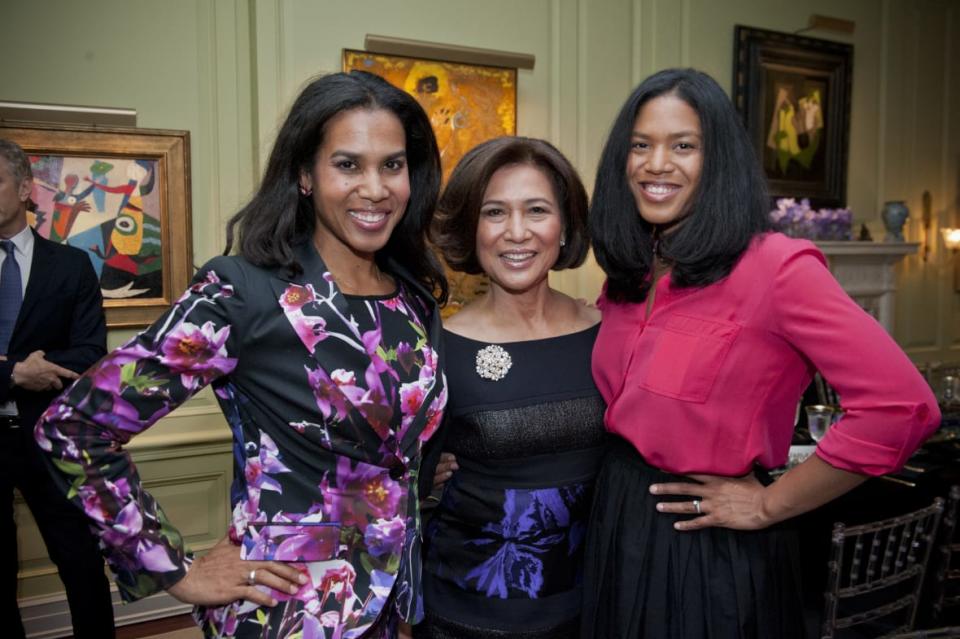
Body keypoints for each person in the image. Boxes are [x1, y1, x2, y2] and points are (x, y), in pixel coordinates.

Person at [34, 71, 449, 638]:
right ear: (305, 175)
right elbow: (74, 425)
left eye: (392, 165)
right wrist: (173, 568)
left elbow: (393, 451)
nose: (375, 188)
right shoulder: (242, 291)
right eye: (347, 164)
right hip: (286, 609)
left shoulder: (411, 296)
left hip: (392, 608)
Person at [582, 68, 941, 638]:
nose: (656, 164)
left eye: (683, 146)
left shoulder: (778, 267)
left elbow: (901, 407)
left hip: (710, 543)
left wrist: (770, 505)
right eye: (640, 145)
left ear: (718, 160)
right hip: (618, 521)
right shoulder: (633, 272)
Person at [415, 136, 605, 638]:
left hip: (593, 605)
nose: (516, 233)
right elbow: (383, 474)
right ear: (471, 229)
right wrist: (423, 475)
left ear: (564, 226)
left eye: (537, 210)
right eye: (494, 212)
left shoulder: (608, 332)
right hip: (468, 614)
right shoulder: (434, 346)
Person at [0, 139, 113, 638]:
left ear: (25, 189)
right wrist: (13, 374)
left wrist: (34, 372)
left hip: (51, 435)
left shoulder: (70, 266)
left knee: (80, 563)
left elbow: (90, 351)